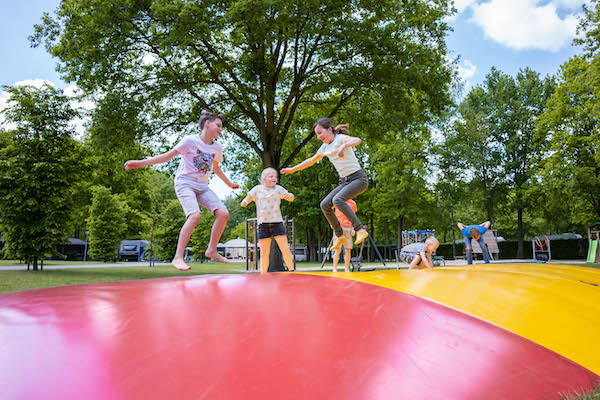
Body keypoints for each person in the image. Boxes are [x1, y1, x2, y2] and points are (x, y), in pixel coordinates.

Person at [124, 111, 239, 270]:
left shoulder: (217, 147)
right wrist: (140, 163)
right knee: (194, 215)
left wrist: (229, 183)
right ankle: (177, 257)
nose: (221, 129)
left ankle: (212, 250)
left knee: (223, 213)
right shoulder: (189, 141)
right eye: (218, 125)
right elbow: (166, 157)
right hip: (185, 183)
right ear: (207, 124)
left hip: (203, 187)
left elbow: (216, 168)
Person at [281, 118, 369, 252]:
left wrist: (343, 146)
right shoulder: (324, 148)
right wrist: (292, 169)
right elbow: (310, 161)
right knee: (325, 205)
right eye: (316, 134)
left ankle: (360, 229)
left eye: (320, 132)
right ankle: (339, 236)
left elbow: (357, 140)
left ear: (329, 129)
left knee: (337, 200)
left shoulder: (341, 138)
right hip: (345, 181)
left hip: (359, 179)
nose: (318, 136)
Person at [241, 168, 295, 274]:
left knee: (285, 248)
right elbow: (248, 197)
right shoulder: (257, 189)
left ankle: (291, 270)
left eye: (275, 176)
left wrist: (291, 196)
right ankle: (263, 275)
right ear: (264, 178)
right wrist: (245, 201)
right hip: (263, 225)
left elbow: (290, 197)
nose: (274, 178)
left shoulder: (279, 189)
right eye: (271, 176)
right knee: (264, 252)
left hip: (277, 223)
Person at [331, 199, 357, 272]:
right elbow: (329, 209)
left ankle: (346, 269)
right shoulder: (337, 200)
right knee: (337, 249)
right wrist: (332, 222)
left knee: (348, 249)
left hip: (348, 228)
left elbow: (353, 216)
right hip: (338, 227)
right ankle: (334, 268)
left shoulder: (352, 203)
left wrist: (353, 228)